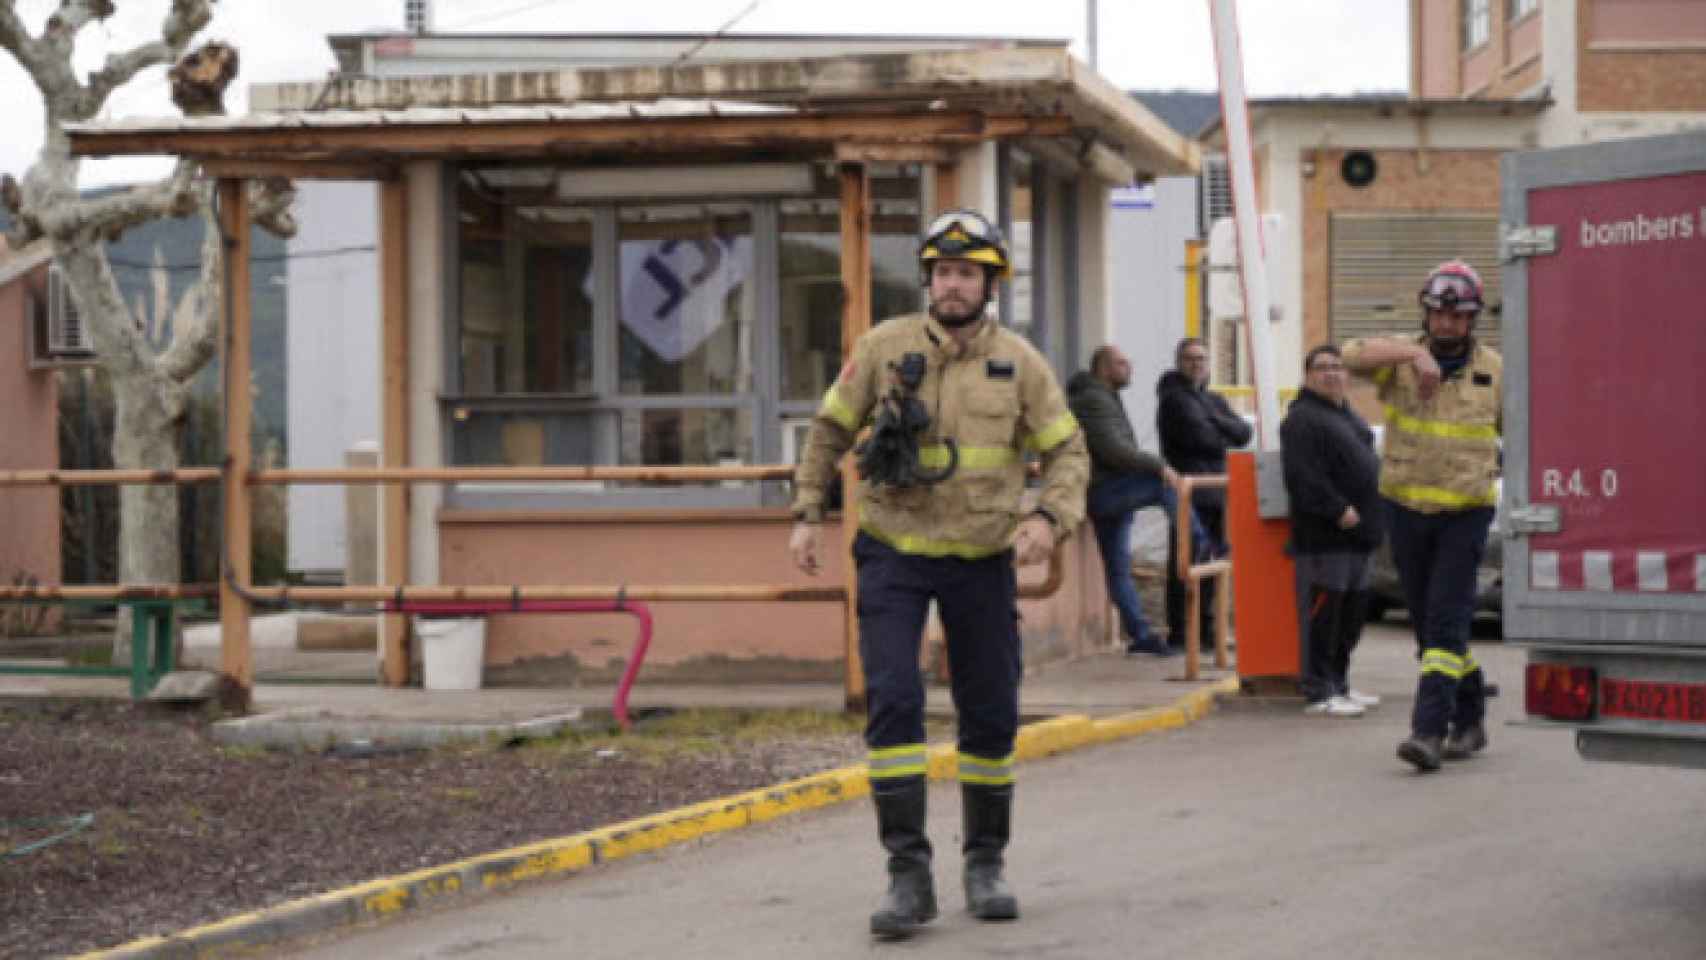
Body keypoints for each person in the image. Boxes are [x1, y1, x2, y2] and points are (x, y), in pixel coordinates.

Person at [788, 208, 1089, 938]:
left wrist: (1047, 522)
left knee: (989, 713)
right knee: (894, 703)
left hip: (981, 560)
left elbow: (1070, 453)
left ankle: (984, 864)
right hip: (893, 550)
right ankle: (907, 877)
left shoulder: (1021, 362)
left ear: (990, 282)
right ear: (929, 279)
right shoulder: (884, 347)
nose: (953, 284)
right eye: (943, 272)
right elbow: (829, 429)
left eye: (968, 272)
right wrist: (806, 511)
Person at [1341, 259, 1501, 772]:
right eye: (1439, 315)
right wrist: (1415, 353)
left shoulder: (1496, 371)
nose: (1447, 324)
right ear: (1426, 314)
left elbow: (1525, 433)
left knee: (1447, 622)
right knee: (1433, 635)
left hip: (1466, 514)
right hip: (1405, 511)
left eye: (1458, 317)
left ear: (1472, 320)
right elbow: (1350, 356)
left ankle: (1428, 732)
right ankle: (1472, 714)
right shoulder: (1400, 361)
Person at [1067, 345, 1207, 657]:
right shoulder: (1093, 399)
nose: (1128, 369)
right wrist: (1160, 465)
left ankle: (1141, 635)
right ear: (1104, 367)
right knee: (1163, 485)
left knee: (1118, 571)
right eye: (1122, 363)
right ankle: (1197, 541)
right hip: (1103, 491)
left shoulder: (1106, 396)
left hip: (1109, 490)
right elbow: (1114, 451)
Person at [1281, 344, 1385, 718]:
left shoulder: (1346, 414)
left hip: (1359, 538)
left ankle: (1339, 684)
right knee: (1323, 617)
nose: (1333, 374)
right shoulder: (1302, 419)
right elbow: (1302, 476)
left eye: (1338, 367)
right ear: (1308, 375)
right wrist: (1338, 509)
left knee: (1350, 618)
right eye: (1323, 368)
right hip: (1325, 538)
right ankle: (1318, 690)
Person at [1156, 337, 1252, 649]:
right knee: (1186, 564)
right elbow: (1204, 440)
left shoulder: (1213, 399)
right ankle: (1182, 633)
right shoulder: (1174, 399)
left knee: (1213, 564)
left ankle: (1207, 631)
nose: (1197, 364)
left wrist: (1214, 420)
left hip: (1216, 492)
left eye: (1202, 359)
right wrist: (1220, 427)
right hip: (1190, 493)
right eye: (1190, 358)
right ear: (1179, 362)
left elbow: (1243, 433)